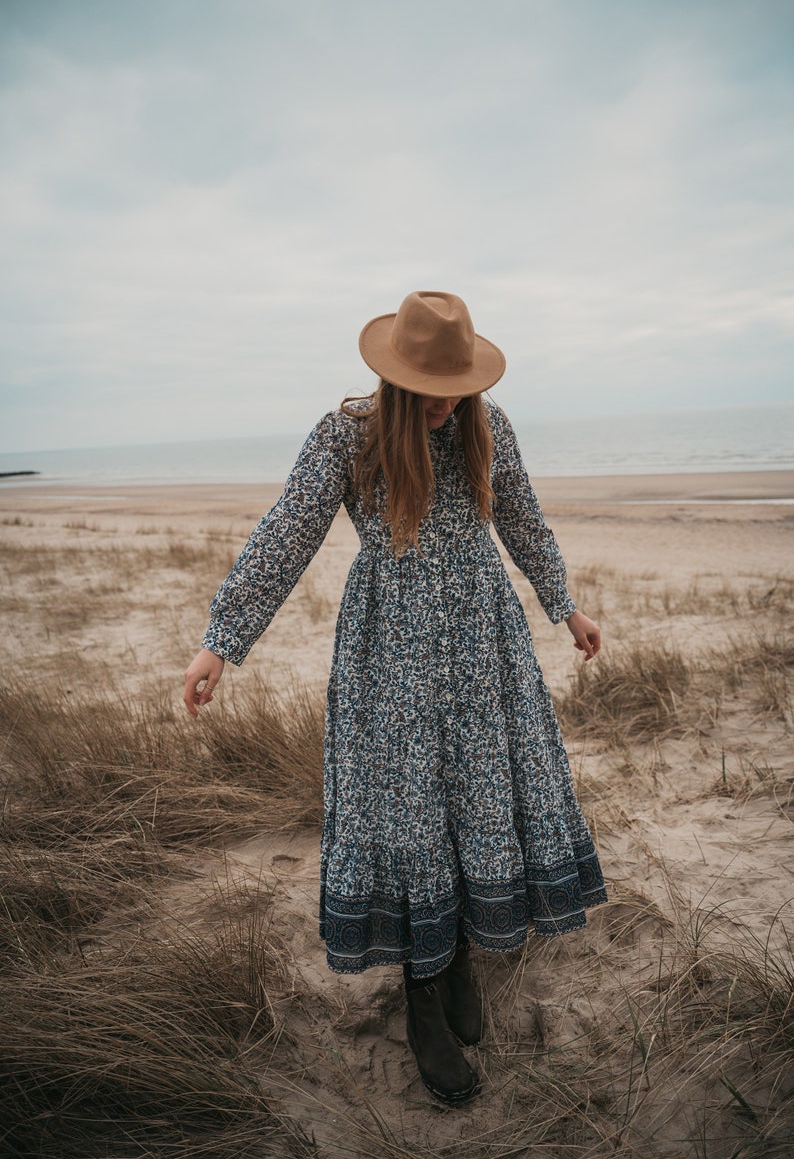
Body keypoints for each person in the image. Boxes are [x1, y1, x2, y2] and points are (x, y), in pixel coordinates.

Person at [183, 290, 607, 1105]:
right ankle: (424, 990)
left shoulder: (489, 425)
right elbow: (285, 533)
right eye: (432, 386)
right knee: (413, 814)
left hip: (485, 641)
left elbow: (522, 516)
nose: (447, 400)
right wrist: (221, 641)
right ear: (394, 376)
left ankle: (463, 966)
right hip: (392, 651)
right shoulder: (346, 437)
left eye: (458, 384)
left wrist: (565, 602)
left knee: (477, 801)